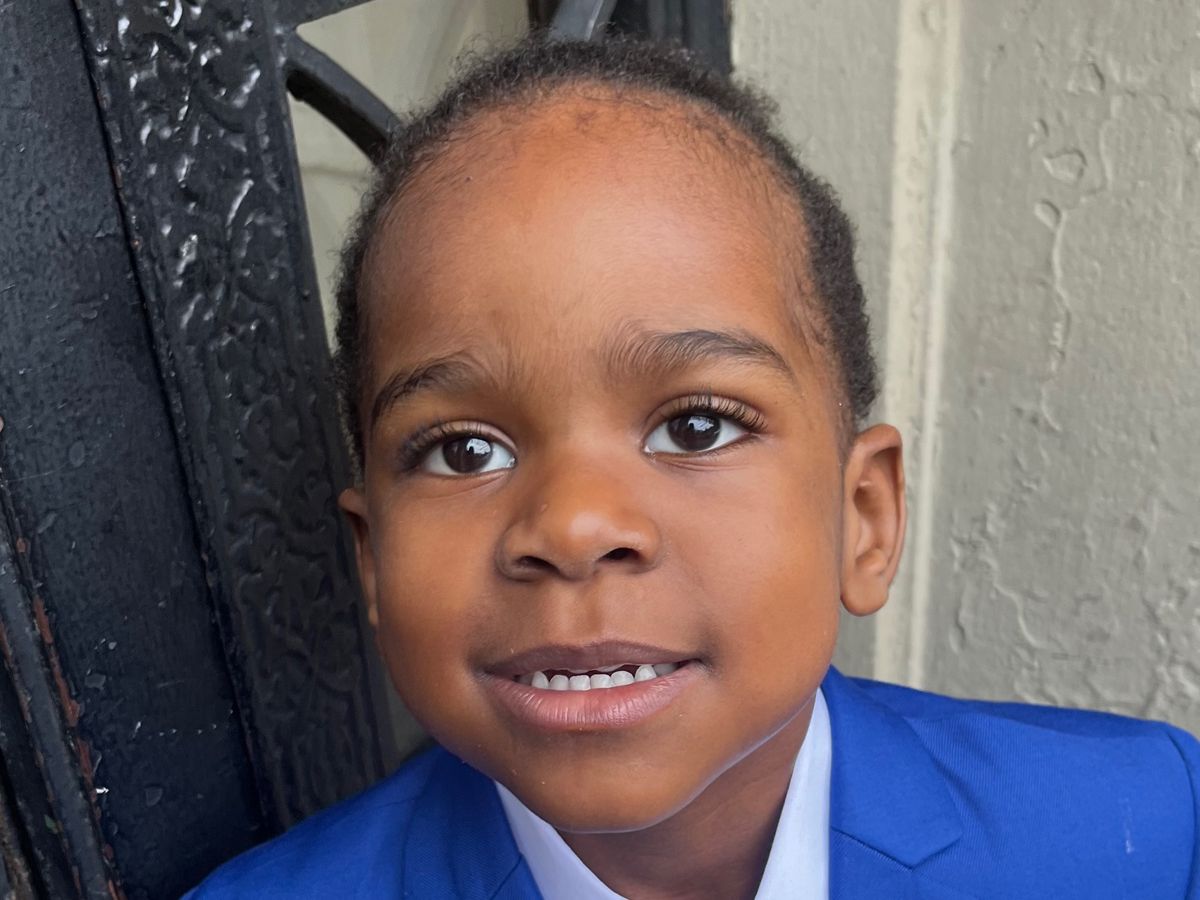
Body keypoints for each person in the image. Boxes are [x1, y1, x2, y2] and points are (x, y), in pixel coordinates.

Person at [186, 36, 1199, 899]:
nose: (575, 527)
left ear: (864, 518)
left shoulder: (1145, 832)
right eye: (464, 450)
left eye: (698, 428)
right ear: (372, 559)